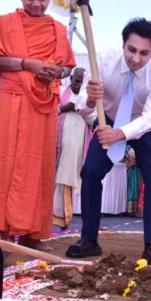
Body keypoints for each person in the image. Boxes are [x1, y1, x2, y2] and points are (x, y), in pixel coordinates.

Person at [65, 18, 151, 264]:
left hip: (144, 128)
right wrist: (91, 100)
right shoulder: (102, 60)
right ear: (123, 45)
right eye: (131, 50)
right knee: (90, 171)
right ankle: (89, 240)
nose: (136, 58)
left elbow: (150, 118)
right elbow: (81, 105)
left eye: (144, 53)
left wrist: (120, 134)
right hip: (109, 121)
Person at [0, 0, 75, 251]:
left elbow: (68, 66)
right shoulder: (5, 23)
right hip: (12, 98)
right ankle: (5, 230)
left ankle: (34, 232)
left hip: (44, 101)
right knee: (7, 163)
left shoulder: (58, 29)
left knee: (40, 165)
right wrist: (26, 64)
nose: (36, 3)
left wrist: (58, 71)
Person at [53, 67, 94, 229]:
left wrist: (82, 108)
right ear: (70, 79)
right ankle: (54, 216)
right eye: (76, 81)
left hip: (76, 145)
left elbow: (93, 118)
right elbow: (50, 111)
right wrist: (65, 108)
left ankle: (63, 217)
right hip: (59, 142)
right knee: (57, 177)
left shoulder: (88, 98)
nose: (78, 84)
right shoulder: (61, 91)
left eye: (82, 82)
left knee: (68, 177)